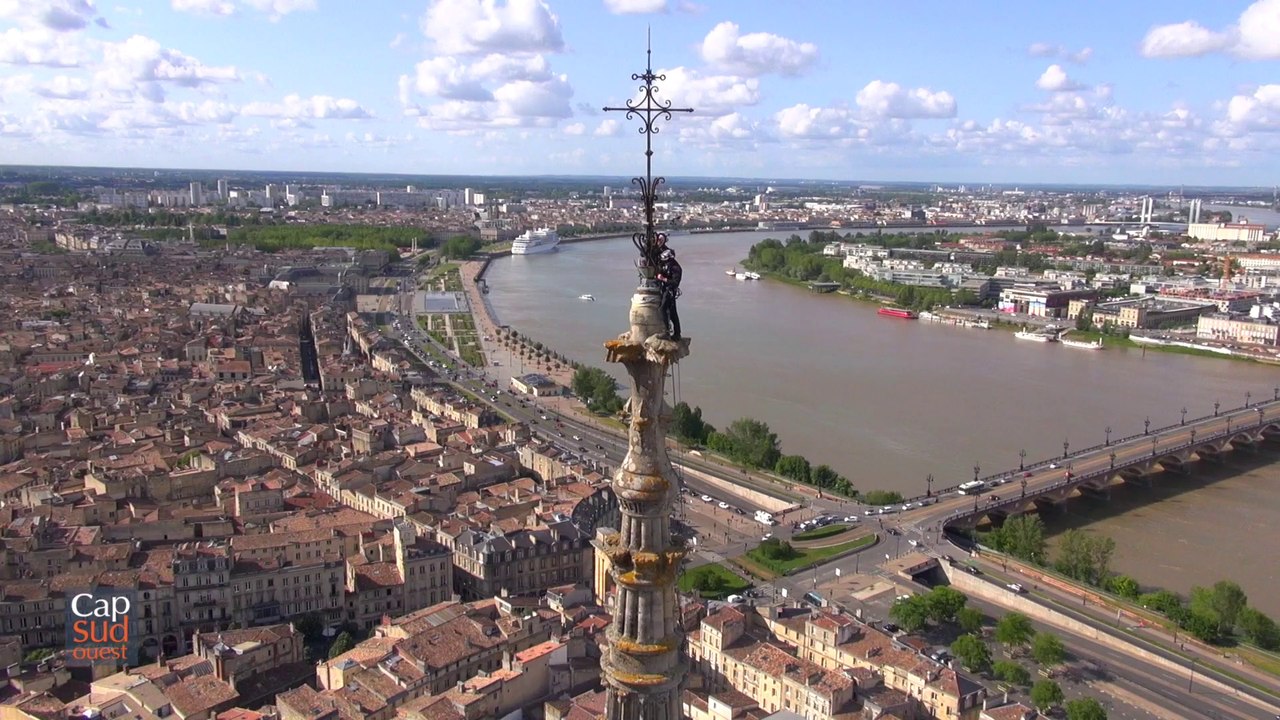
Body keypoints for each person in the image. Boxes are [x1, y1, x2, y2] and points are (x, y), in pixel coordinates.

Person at [656, 246, 682, 340]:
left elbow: (675, 282)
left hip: (670, 291)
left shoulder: (676, 268)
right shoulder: (668, 265)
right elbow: (663, 270)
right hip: (666, 289)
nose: (664, 262)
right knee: (672, 313)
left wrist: (663, 279)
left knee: (662, 309)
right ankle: (677, 333)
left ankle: (666, 332)